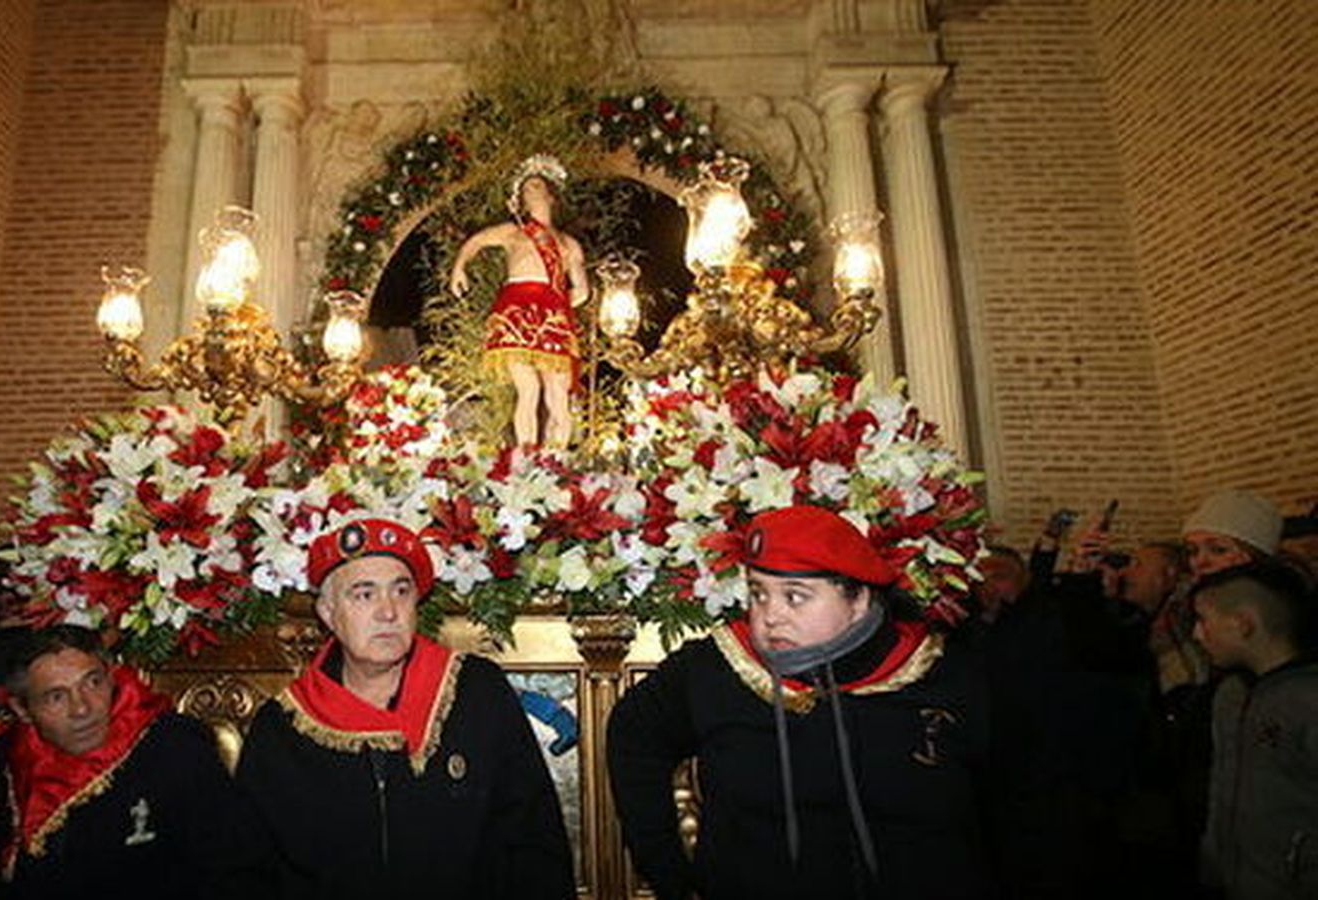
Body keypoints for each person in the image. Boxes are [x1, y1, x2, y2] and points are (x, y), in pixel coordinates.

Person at [607, 506, 991, 899]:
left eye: (795, 597)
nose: (770, 616)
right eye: (758, 593)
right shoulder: (712, 669)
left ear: (857, 598)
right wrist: (670, 875)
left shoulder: (943, 673)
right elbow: (632, 735)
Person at [237, 517, 574, 898]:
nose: (387, 612)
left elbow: (536, 842)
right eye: (364, 594)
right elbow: (249, 870)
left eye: (401, 591)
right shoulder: (284, 726)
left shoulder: (477, 692)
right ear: (329, 614)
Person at [0, 625, 264, 898]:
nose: (82, 708)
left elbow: (237, 872)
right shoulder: (8, 766)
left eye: (93, 682)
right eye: (56, 697)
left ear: (112, 678)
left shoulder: (173, 750)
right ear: (22, 710)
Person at [1192, 562, 1318, 900]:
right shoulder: (1231, 694)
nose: (1196, 634)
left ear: (1243, 623)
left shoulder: (1307, 701)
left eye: (1204, 620)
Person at [450, 154, 590, 450]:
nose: (530, 190)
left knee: (557, 393)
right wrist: (459, 268)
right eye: (525, 188)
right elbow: (476, 241)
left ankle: (556, 459)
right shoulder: (513, 232)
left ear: (551, 195)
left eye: (537, 185)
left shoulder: (568, 244)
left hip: (552, 313)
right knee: (528, 388)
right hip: (516, 310)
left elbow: (581, 290)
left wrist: (557, 305)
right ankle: (526, 459)